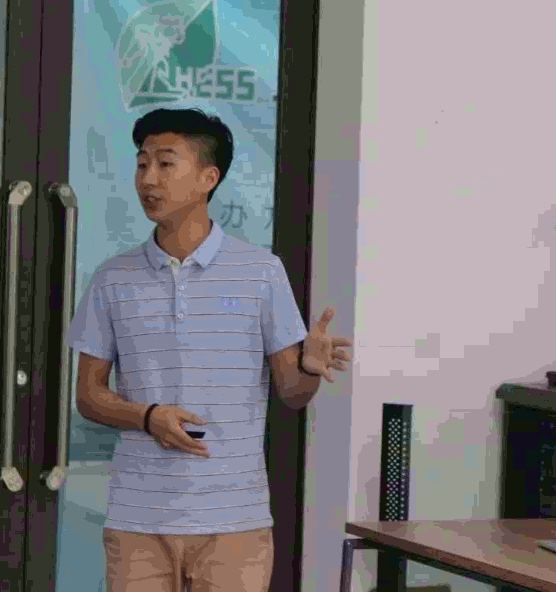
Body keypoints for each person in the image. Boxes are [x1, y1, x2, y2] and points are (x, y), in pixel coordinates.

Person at [65, 107, 352, 592]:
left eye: (165, 163)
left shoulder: (262, 272)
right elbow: (88, 396)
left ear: (208, 178)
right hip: (138, 519)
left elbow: (292, 393)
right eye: (142, 164)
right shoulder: (112, 278)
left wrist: (308, 367)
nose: (148, 179)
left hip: (234, 521)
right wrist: (148, 417)